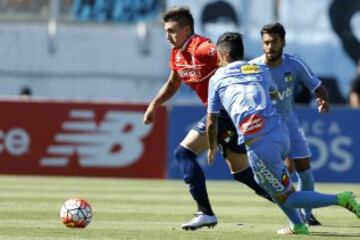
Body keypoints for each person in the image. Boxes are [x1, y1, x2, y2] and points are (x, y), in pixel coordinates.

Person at [206, 31, 360, 235]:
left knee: (286, 196)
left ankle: (340, 199)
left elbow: (211, 120)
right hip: (280, 131)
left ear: (223, 55)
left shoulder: (217, 78)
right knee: (269, 183)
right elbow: (274, 94)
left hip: (259, 142)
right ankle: (297, 225)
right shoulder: (259, 68)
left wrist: (211, 147)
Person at [143, 6, 272, 230]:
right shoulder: (177, 53)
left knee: (183, 153)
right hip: (222, 114)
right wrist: (155, 104)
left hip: (226, 111)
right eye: (166, 31)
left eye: (172, 31)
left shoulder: (204, 48)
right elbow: (174, 83)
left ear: (187, 29)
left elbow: (231, 59)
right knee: (243, 174)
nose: (167, 36)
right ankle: (293, 202)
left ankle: (205, 213)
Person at [250, 22, 330, 225]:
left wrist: (322, 100)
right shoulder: (253, 68)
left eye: (274, 42)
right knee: (287, 170)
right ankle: (295, 218)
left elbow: (318, 87)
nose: (269, 47)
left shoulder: (295, 64)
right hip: (267, 128)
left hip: (289, 123)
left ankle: (307, 215)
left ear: (283, 42)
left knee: (305, 168)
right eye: (266, 42)